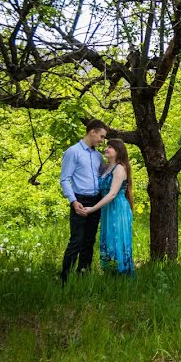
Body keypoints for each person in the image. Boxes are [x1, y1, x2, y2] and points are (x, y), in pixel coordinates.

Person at [59, 119, 108, 283]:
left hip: (96, 201)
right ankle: (65, 279)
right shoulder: (73, 152)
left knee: (89, 240)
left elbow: (103, 176)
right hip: (79, 201)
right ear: (92, 132)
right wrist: (73, 201)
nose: (102, 141)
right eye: (101, 137)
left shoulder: (98, 156)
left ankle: (83, 274)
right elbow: (65, 179)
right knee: (77, 240)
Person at [84, 138, 134, 275]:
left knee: (117, 238)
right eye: (106, 146)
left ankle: (121, 273)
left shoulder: (120, 168)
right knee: (108, 237)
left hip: (118, 207)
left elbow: (112, 194)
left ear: (118, 151)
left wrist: (92, 208)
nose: (106, 149)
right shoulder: (106, 168)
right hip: (107, 209)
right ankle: (110, 272)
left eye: (110, 147)